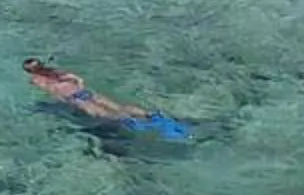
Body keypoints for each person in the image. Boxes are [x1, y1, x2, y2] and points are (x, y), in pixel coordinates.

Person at [23, 58, 191, 139]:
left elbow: (53, 93)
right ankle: (150, 115)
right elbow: (78, 79)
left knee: (102, 115)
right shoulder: (57, 72)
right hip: (86, 92)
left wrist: (63, 102)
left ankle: (129, 121)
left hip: (75, 99)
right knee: (118, 106)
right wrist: (80, 87)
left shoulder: (37, 80)